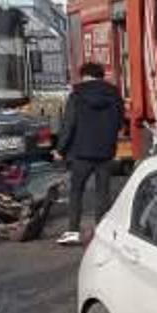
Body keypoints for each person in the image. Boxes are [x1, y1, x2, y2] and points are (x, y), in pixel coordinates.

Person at [55, 62, 125, 246]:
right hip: (105, 152)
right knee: (103, 193)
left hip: (81, 153)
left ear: (84, 75)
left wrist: (60, 149)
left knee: (76, 191)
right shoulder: (114, 94)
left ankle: (73, 231)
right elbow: (120, 122)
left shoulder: (77, 94)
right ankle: (102, 232)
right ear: (101, 75)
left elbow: (69, 124)